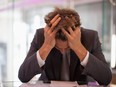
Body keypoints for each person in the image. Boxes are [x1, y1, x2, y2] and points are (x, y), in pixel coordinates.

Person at [18, 7, 112, 85]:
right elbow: (23, 76)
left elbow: (106, 78)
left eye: (67, 48)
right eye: (58, 48)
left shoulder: (90, 37)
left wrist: (78, 47)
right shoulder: (41, 36)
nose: (63, 51)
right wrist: (46, 46)